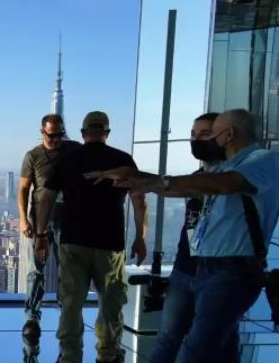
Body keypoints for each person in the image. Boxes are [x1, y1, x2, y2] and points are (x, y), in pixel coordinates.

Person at [88, 109, 279, 363]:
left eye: (210, 135)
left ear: (229, 135)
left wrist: (153, 181)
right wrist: (139, 179)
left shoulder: (263, 160)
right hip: (203, 268)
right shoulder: (223, 167)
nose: (201, 141)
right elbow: (182, 187)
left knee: (195, 350)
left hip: (232, 272)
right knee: (213, 346)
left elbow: (224, 184)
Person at [35, 111, 147, 363]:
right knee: (110, 303)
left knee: (71, 303)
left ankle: (69, 354)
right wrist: (140, 237)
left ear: (83, 133)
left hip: (73, 240)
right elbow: (139, 201)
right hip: (110, 243)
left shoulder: (67, 159)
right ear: (106, 133)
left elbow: (46, 198)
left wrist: (41, 233)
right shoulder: (123, 159)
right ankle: (107, 353)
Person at [148, 112, 240, 363]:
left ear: (225, 137)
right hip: (186, 268)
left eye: (205, 134)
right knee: (169, 336)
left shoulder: (232, 180)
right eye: (193, 134)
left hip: (218, 273)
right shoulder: (196, 176)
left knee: (219, 339)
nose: (196, 140)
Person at [18, 114, 81, 344]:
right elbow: (24, 189)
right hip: (39, 222)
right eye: (51, 135)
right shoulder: (33, 156)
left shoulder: (75, 150)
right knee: (36, 270)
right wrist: (24, 220)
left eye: (59, 134)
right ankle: (32, 317)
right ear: (42, 132)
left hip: (69, 220)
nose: (56, 139)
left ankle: (67, 316)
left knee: (68, 270)